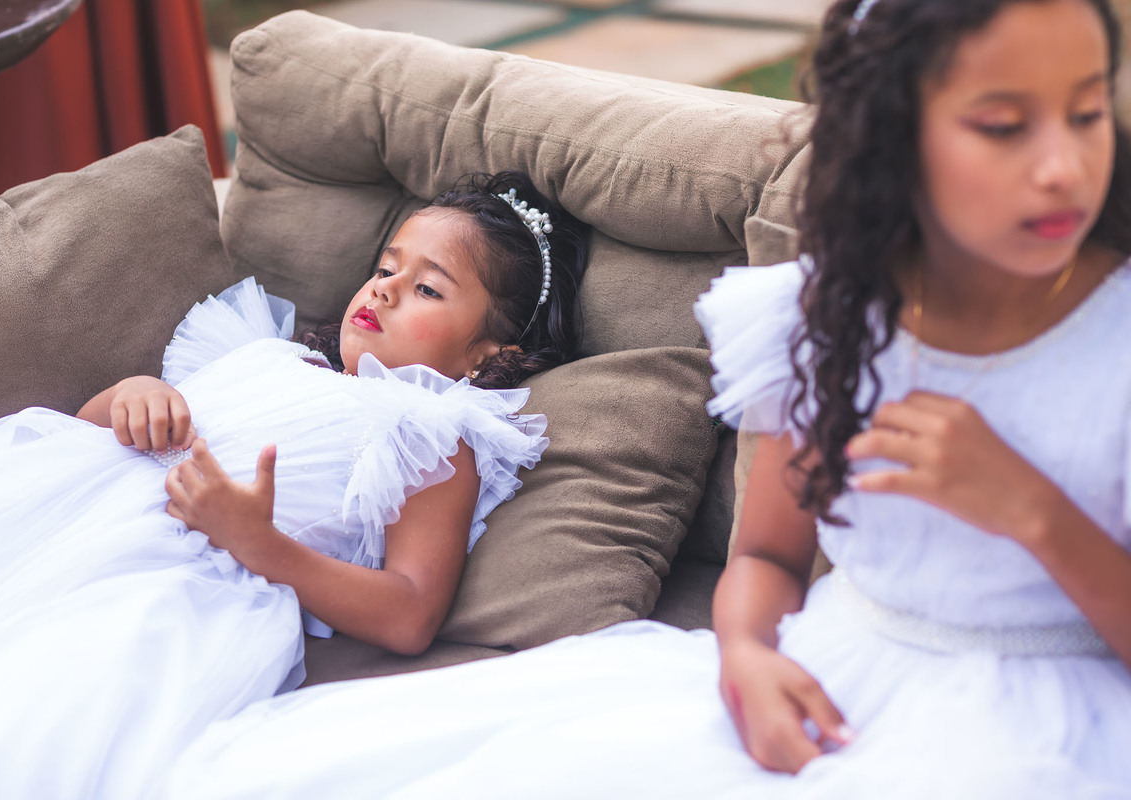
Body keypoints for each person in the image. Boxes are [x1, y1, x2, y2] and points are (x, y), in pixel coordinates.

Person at [160, 1, 1131, 798]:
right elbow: (764, 554)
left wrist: (1035, 514)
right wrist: (746, 650)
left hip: (1064, 712)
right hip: (839, 670)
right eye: (1004, 125)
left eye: (1087, 113)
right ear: (892, 138)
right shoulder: (822, 317)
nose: (1060, 164)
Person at [0, 170, 589, 800]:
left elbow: (411, 615)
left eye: (428, 289)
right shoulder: (267, 352)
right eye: (387, 269)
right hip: (63, 514)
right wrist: (135, 396)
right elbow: (90, 434)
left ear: (491, 355)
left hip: (173, 579)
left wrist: (259, 544)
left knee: (19, 715)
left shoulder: (433, 431)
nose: (384, 290)